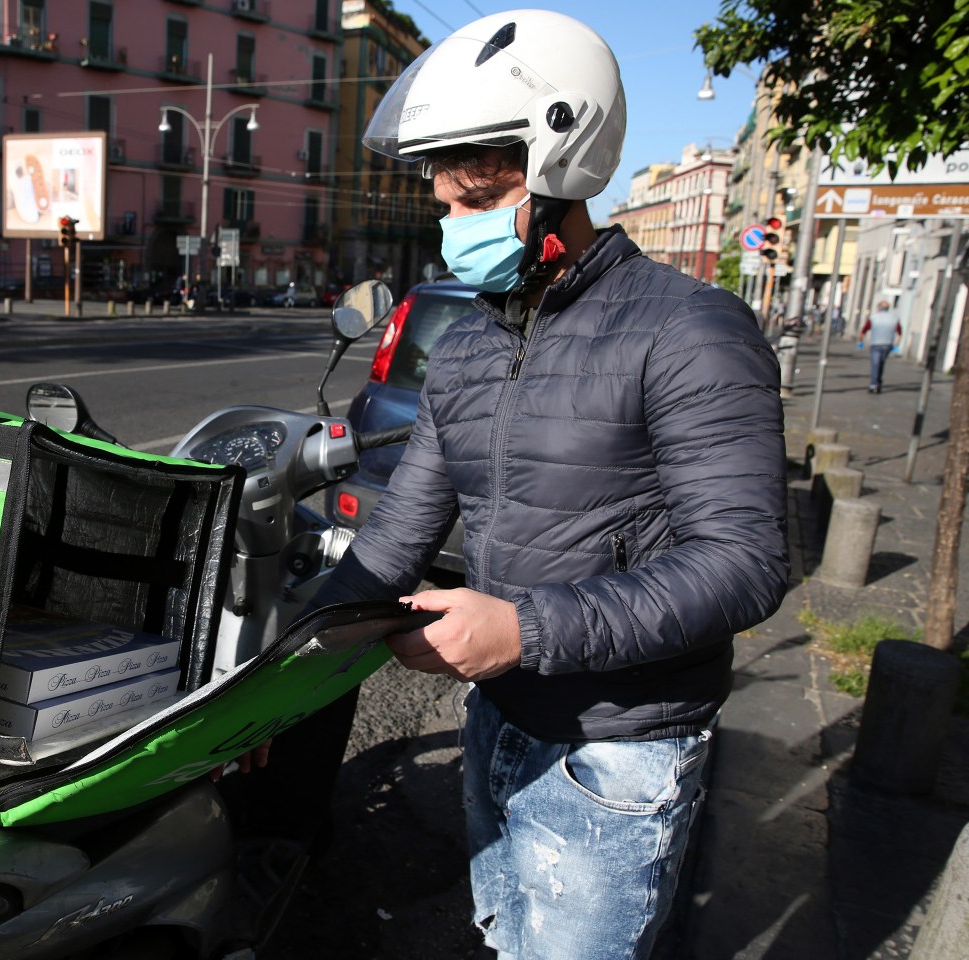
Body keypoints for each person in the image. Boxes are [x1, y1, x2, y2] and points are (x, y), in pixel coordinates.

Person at [301, 11, 789, 959]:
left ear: (563, 168)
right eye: (445, 202)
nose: (455, 224)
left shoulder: (692, 330)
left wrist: (523, 629)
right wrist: (278, 668)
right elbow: (396, 538)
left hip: (617, 752)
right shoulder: (471, 342)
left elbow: (743, 563)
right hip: (495, 724)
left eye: (479, 195)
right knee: (504, 943)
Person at [858, 299, 901, 393]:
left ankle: (874, 385)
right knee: (881, 364)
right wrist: (897, 344)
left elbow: (864, 330)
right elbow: (899, 332)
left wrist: (860, 341)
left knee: (875, 364)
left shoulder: (874, 317)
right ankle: (878, 383)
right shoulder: (894, 318)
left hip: (875, 344)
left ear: (879, 308)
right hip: (887, 344)